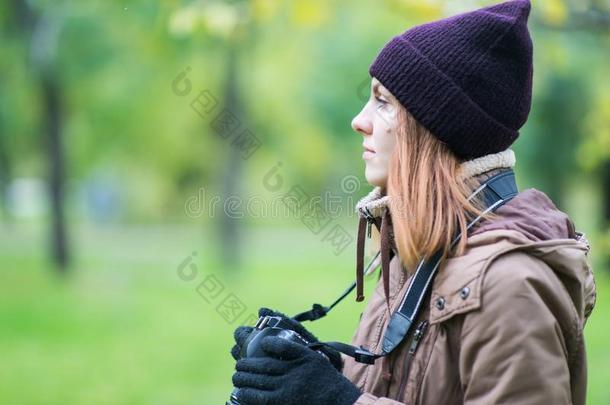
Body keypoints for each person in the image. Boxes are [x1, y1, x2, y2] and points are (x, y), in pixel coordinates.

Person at [229, 0, 597, 403]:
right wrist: (315, 370)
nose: (360, 120)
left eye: (383, 101)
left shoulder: (510, 288)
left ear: (437, 125)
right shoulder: (419, 252)